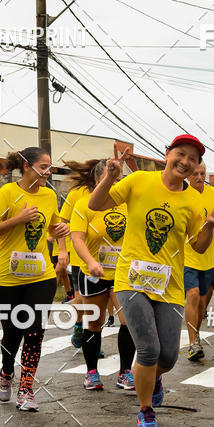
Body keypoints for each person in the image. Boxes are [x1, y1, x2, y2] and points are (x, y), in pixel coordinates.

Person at [89, 134, 214, 427]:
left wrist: (208, 225)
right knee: (149, 349)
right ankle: (145, 409)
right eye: (181, 154)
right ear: (167, 154)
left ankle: (154, 377)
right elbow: (96, 203)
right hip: (131, 279)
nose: (186, 162)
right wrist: (109, 178)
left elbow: (199, 246)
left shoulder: (193, 199)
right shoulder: (138, 180)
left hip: (170, 285)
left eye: (194, 159)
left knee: (167, 357)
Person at [0, 147, 68, 412]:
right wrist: (17, 219)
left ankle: (26, 389)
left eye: (49, 166)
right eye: (43, 166)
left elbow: (50, 225)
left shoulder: (49, 195)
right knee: (13, 332)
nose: (48, 171)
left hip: (40, 276)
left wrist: (60, 230)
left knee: (35, 332)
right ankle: (7, 372)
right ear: (27, 166)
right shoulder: (8, 193)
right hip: (5, 277)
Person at [70, 161, 135, 391]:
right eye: (111, 179)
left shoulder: (127, 203)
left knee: (129, 322)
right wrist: (90, 261)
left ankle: (125, 372)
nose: (115, 184)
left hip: (124, 273)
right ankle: (91, 372)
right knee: (94, 323)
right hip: (94, 272)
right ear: (99, 180)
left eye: (118, 180)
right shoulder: (83, 204)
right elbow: (77, 238)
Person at [60, 159, 105, 351]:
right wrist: (63, 251)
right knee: (80, 298)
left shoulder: (116, 193)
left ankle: (93, 333)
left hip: (109, 260)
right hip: (82, 257)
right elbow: (62, 223)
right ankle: (82, 327)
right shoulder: (77, 194)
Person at [183, 164, 214, 361]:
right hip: (187, 254)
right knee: (192, 295)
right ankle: (193, 343)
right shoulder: (182, 193)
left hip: (208, 257)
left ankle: (195, 333)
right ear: (188, 175)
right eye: (195, 174)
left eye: (202, 174)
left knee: (203, 299)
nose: (199, 177)